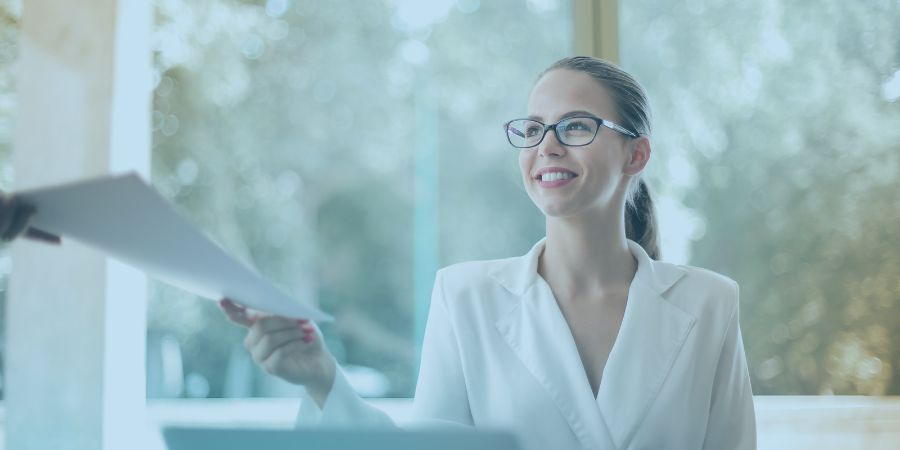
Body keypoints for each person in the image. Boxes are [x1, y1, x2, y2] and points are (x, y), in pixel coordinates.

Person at [220, 56, 756, 450]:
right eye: (533, 128)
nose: (547, 144)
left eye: (575, 125)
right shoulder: (464, 297)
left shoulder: (709, 303)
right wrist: (322, 379)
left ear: (636, 154)